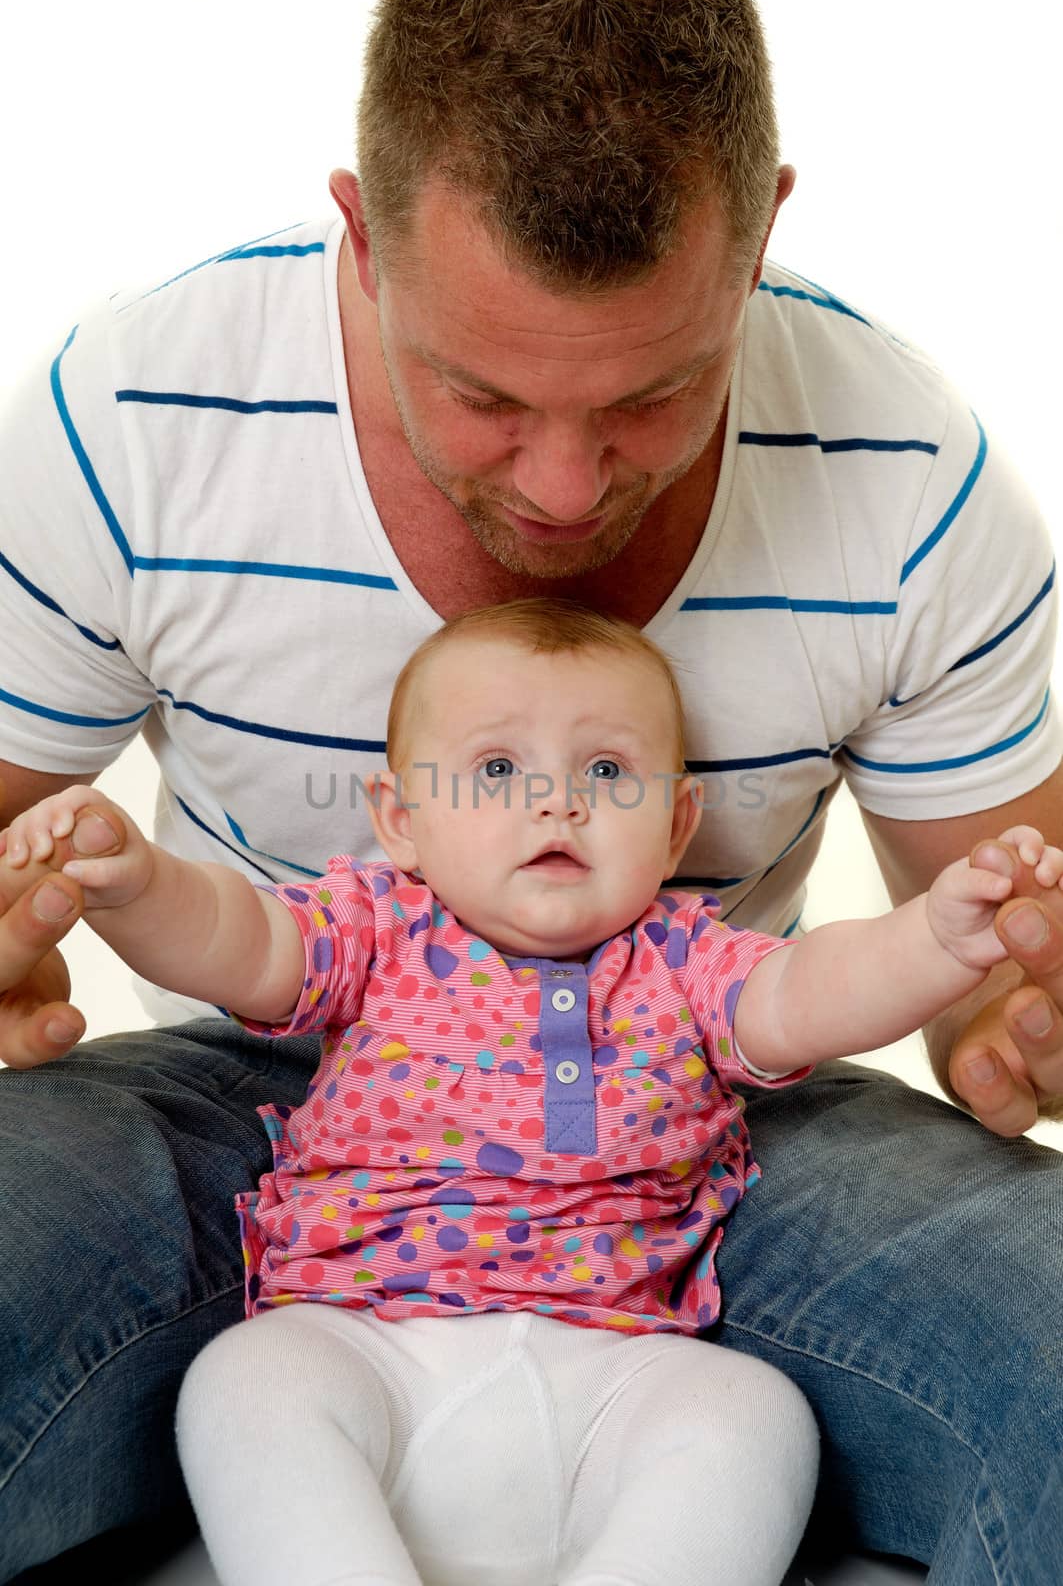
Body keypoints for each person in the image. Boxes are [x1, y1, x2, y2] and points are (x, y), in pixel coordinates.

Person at [0, 0, 1060, 1580]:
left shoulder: (905, 471)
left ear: (761, 230)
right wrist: (71, 897)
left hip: (698, 1140)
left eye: (648, 394)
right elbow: (227, 939)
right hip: (247, 1109)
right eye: (484, 395)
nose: (563, 489)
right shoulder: (137, 405)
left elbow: (945, 965)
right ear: (361, 235)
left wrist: (1003, 1001)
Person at [4, 597, 1061, 1586]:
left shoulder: (686, 960)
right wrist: (138, 885)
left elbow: (815, 989)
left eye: (607, 769)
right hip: (363, 1334)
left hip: (623, 1365)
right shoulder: (376, 930)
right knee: (247, 1384)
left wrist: (934, 936)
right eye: (498, 767)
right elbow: (234, 939)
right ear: (402, 817)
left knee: (751, 1415)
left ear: (679, 821)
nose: (557, 798)